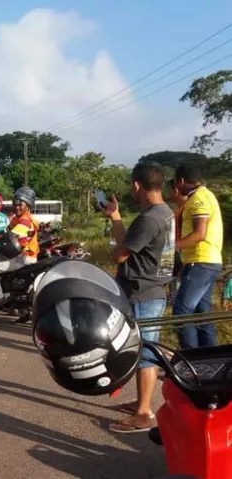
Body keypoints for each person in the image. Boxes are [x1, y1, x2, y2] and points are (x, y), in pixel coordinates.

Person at [105, 163, 175, 434]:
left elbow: (121, 255)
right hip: (152, 289)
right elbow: (129, 248)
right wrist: (116, 217)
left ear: (137, 185)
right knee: (142, 350)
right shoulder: (166, 213)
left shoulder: (149, 219)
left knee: (145, 354)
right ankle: (141, 402)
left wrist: (117, 248)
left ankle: (144, 412)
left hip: (144, 292)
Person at [172, 162, 224, 349]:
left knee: (181, 311)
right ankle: (209, 357)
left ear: (182, 181)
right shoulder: (203, 195)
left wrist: (171, 248)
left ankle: (191, 357)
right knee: (202, 313)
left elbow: (199, 234)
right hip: (205, 261)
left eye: (177, 183)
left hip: (201, 261)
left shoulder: (199, 199)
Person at [0, 187, 39, 308]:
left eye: (20, 205)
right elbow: (4, 231)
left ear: (28, 205)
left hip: (25, 257)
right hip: (17, 254)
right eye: (15, 204)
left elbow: (9, 236)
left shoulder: (25, 221)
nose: (17, 207)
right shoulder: (16, 219)